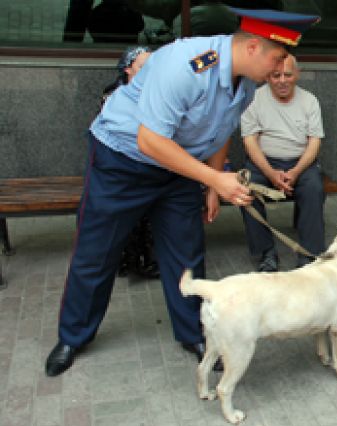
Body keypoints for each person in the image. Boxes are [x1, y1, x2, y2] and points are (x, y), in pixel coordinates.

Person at [44, 7, 321, 377]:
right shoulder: (188, 65)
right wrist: (212, 178)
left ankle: (194, 335)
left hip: (179, 166)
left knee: (186, 252)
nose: (278, 70)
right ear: (253, 46)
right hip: (124, 159)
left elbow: (220, 128)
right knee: (97, 251)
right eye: (276, 58)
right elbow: (150, 140)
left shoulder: (248, 80)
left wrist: (213, 178)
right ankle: (73, 336)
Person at [239, 54, 325, 272]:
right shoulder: (253, 98)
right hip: (264, 162)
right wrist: (270, 173)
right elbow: (250, 141)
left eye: (287, 74)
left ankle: (308, 254)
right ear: (267, 76)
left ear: (297, 74)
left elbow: (314, 142)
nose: (282, 80)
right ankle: (266, 252)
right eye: (276, 75)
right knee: (245, 191)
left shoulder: (310, 101)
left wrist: (295, 172)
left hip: (300, 162)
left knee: (314, 188)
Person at [100, 46, 160, 279]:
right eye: (143, 67)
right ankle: (128, 259)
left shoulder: (158, 92)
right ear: (127, 70)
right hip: (123, 162)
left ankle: (150, 259)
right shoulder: (113, 95)